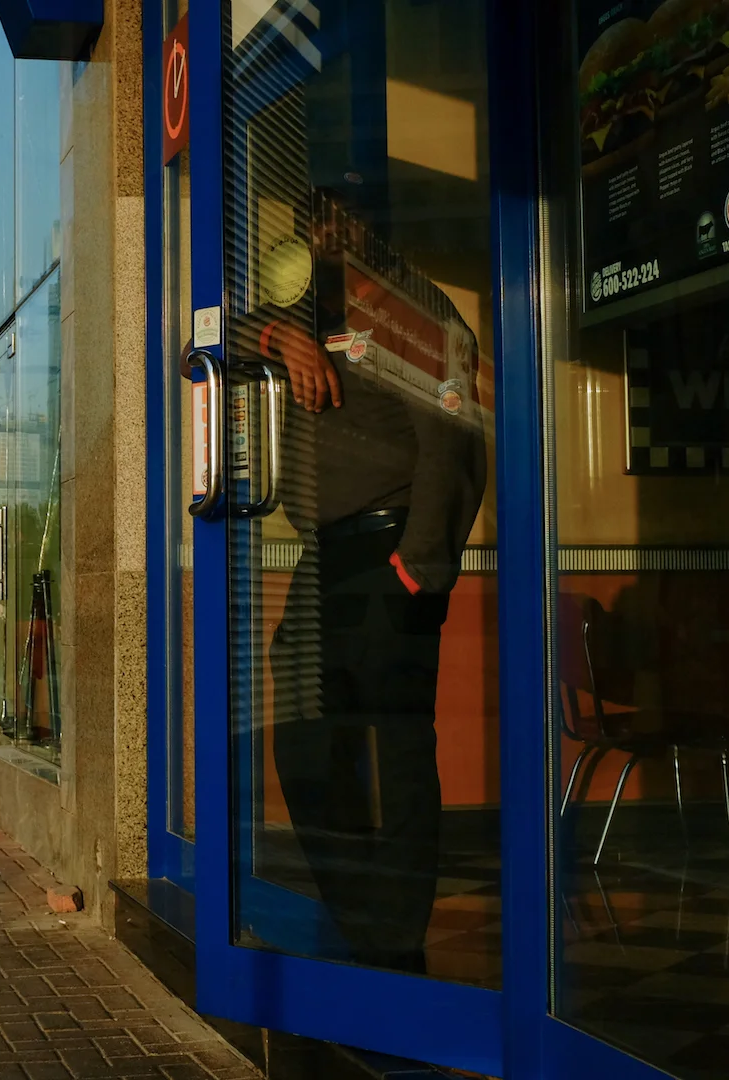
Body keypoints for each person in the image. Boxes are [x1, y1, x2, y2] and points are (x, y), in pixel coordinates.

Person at [254, 197, 487, 973]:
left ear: (371, 224)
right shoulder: (307, 310)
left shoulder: (418, 311)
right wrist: (281, 334)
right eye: (312, 219)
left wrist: (416, 569)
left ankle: (394, 943)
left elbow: (452, 445)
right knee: (303, 747)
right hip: (324, 557)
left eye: (342, 217)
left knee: (398, 751)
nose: (325, 233)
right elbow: (206, 335)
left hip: (392, 550)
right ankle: (364, 924)